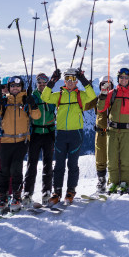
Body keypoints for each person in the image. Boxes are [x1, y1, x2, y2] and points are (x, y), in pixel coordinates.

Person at [39, 67, 96, 205]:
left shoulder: (80, 95)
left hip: (76, 133)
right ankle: (57, 191)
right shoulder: (59, 95)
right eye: (68, 79)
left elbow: (92, 96)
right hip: (61, 134)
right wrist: (52, 81)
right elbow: (44, 97)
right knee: (59, 164)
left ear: (76, 81)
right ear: (64, 81)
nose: (70, 82)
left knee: (72, 164)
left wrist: (83, 78)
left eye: (73, 79)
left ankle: (71, 190)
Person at [0, 76, 41, 211]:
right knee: (4, 170)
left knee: (16, 168)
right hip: (6, 140)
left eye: (17, 86)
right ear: (9, 88)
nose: (15, 88)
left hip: (22, 140)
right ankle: (2, 196)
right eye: (12, 86)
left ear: (22, 87)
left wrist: (32, 104)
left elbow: (37, 116)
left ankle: (16, 196)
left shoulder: (26, 99)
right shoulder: (5, 101)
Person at [25, 73, 57, 205]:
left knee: (48, 163)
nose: (42, 86)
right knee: (31, 163)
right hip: (36, 132)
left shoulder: (51, 96)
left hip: (49, 132)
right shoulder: (32, 96)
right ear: (36, 84)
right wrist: (28, 101)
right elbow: (26, 112)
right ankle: (27, 192)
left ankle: (46, 191)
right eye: (40, 83)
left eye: (44, 84)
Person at [92, 76, 112, 192]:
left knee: (114, 156)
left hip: (112, 131)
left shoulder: (115, 98)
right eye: (103, 84)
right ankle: (101, 179)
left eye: (108, 84)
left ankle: (114, 178)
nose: (106, 86)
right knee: (100, 156)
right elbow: (84, 105)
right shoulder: (97, 99)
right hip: (100, 132)